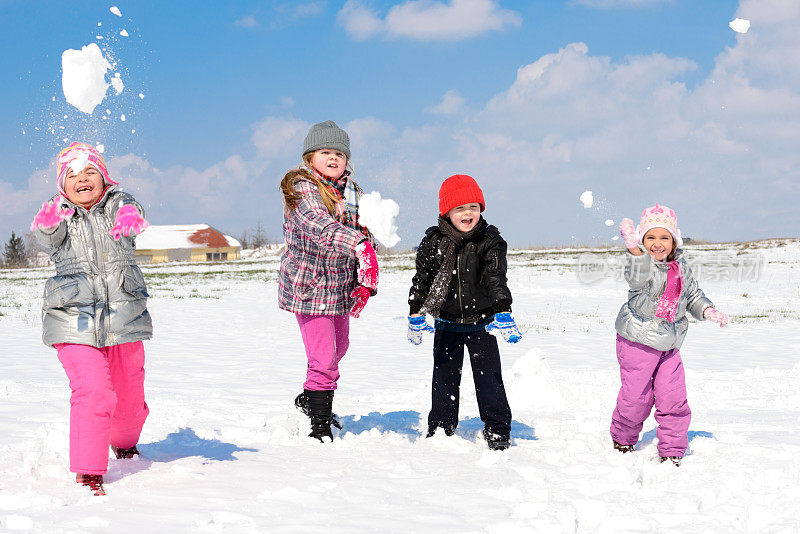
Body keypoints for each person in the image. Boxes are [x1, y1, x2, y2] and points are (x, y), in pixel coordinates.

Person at [31, 142, 152, 495]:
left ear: (104, 178)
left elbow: (132, 212)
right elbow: (46, 233)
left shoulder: (118, 203)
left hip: (123, 316)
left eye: (89, 173)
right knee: (93, 391)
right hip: (73, 317)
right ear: (62, 184)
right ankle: (88, 470)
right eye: (72, 175)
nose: (82, 179)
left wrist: (130, 218)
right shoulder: (58, 210)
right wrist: (51, 218)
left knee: (128, 399)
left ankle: (125, 442)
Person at [278, 120, 379, 442]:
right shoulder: (301, 186)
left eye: (339, 153)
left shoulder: (355, 193)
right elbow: (317, 224)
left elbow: (368, 235)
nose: (334, 158)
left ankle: (310, 397)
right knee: (322, 357)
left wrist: (365, 278)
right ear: (310, 158)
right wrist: (358, 245)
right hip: (309, 287)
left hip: (339, 288)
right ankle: (319, 424)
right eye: (325, 152)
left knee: (339, 348)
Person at [407, 174, 521, 450]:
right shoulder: (433, 242)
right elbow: (422, 280)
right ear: (446, 212)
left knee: (489, 380)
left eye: (473, 206)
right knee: (444, 378)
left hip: (482, 323)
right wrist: (415, 313)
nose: (467, 213)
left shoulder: (489, 240)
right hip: (446, 323)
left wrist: (503, 311)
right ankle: (442, 426)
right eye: (459, 208)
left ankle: (497, 428)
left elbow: (496, 279)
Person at [612, 204, 729, 465]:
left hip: (669, 343)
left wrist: (708, 310)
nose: (657, 243)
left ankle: (673, 448)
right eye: (650, 237)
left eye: (664, 237)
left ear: (674, 241)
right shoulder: (643, 266)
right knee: (636, 398)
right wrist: (633, 250)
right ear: (642, 240)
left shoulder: (681, 268)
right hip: (637, 342)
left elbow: (692, 296)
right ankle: (623, 438)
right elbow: (638, 273)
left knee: (673, 396)